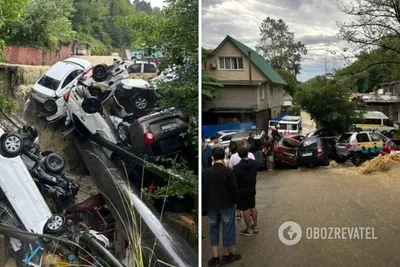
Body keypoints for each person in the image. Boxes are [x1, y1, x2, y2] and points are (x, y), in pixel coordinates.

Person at [203, 147, 241, 267]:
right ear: (224, 157)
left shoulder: (205, 173)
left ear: (212, 158)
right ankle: (226, 254)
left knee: (213, 230)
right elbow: (234, 190)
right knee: (227, 229)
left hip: (211, 206)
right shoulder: (229, 172)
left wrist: (204, 207)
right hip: (227, 205)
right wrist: (235, 201)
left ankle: (215, 258)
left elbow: (203, 191)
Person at [233, 147, 259, 236]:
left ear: (239, 155)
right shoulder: (254, 163)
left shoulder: (236, 168)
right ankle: (255, 226)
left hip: (242, 190)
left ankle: (249, 229)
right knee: (253, 206)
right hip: (252, 188)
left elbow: (235, 180)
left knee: (245, 209)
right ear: (247, 153)